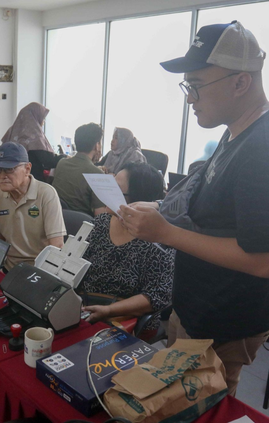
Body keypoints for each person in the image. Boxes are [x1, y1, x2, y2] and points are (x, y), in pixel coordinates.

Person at [117, 21, 269, 395]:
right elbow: (215, 214)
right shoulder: (234, 130)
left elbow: (261, 259)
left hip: (224, 321)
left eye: (197, 86)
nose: (189, 98)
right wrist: (159, 209)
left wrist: (166, 232)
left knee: (205, 407)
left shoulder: (261, 148)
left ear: (240, 83)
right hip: (195, 307)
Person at [82, 163, 174, 335]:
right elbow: (76, 264)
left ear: (139, 199)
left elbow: (156, 296)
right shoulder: (100, 223)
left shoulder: (158, 240)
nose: (105, 194)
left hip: (126, 321)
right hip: (86, 310)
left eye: (115, 190)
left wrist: (108, 311)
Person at [0, 142, 66, 271]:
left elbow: (56, 246)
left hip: (38, 270)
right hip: (9, 269)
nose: (2, 176)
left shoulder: (46, 194)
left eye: (9, 169)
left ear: (27, 169)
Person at [52, 122, 106, 216]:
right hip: (82, 226)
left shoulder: (62, 163)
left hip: (57, 220)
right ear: (97, 146)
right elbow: (100, 215)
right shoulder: (98, 174)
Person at [1, 102, 65, 181]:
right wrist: (65, 157)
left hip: (11, 180)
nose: (43, 122)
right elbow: (49, 161)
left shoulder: (13, 132)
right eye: (42, 118)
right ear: (35, 117)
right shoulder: (34, 136)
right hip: (30, 182)